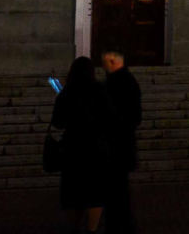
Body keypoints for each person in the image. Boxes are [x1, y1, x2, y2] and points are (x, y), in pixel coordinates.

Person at [50, 56, 111, 232]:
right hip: (95, 148)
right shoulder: (101, 90)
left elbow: (57, 122)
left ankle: (75, 227)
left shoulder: (66, 93)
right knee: (95, 192)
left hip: (73, 149)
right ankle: (91, 229)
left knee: (73, 192)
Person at [102, 51, 142, 234]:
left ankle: (118, 225)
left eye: (104, 63)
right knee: (120, 187)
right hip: (124, 143)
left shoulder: (111, 84)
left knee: (113, 189)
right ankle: (124, 224)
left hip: (112, 144)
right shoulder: (131, 82)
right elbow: (136, 117)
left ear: (112, 61)